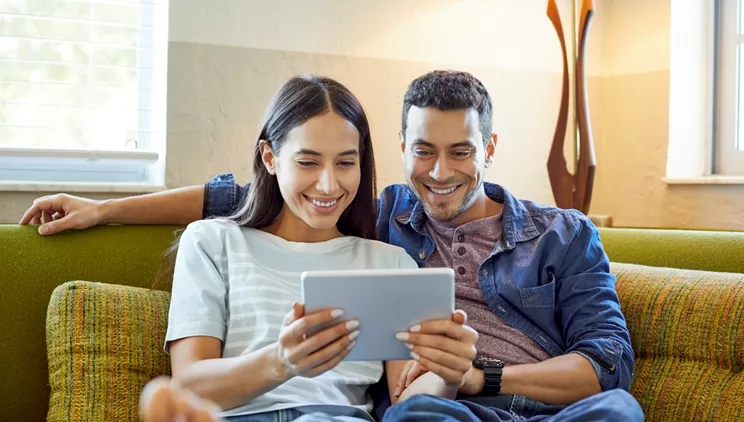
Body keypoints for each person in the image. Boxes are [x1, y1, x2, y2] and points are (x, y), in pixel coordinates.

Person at [21, 70, 644, 421]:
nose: (441, 171)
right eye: (423, 150)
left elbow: (605, 361)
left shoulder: (399, 249)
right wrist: (104, 209)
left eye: (462, 151)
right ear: (402, 152)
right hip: (391, 414)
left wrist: (464, 376)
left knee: (616, 410)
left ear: (490, 149)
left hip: (442, 412)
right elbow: (236, 196)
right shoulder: (371, 217)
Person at [114, 74, 479, 422]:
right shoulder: (212, 242)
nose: (327, 184)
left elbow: (407, 400)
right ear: (270, 158)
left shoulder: (390, 263)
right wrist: (282, 361)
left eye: (346, 163)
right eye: (307, 162)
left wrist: (448, 373)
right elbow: (188, 382)